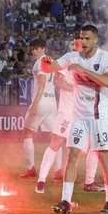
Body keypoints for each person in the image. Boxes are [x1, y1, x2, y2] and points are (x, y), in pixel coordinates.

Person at [40, 24, 108, 214]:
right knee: (72, 156)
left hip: (100, 117)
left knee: (104, 158)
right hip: (79, 117)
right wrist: (45, 61)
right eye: (81, 38)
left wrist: (83, 70)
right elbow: (48, 67)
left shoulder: (106, 57)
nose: (83, 41)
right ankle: (65, 200)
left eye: (87, 38)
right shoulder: (71, 57)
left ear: (95, 40)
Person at [34, 39, 79, 193]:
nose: (78, 45)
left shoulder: (92, 63)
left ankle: (88, 182)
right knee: (56, 142)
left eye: (82, 42)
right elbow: (58, 82)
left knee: (83, 150)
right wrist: (76, 89)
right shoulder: (67, 60)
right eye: (76, 43)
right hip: (67, 112)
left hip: (83, 115)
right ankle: (41, 179)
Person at [20, 39, 62, 179]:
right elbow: (58, 79)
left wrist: (35, 104)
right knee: (55, 137)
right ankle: (58, 170)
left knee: (27, 133)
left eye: (37, 48)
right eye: (32, 49)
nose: (34, 51)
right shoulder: (51, 61)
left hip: (42, 102)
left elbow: (42, 84)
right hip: (52, 103)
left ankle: (31, 168)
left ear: (43, 49)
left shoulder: (40, 63)